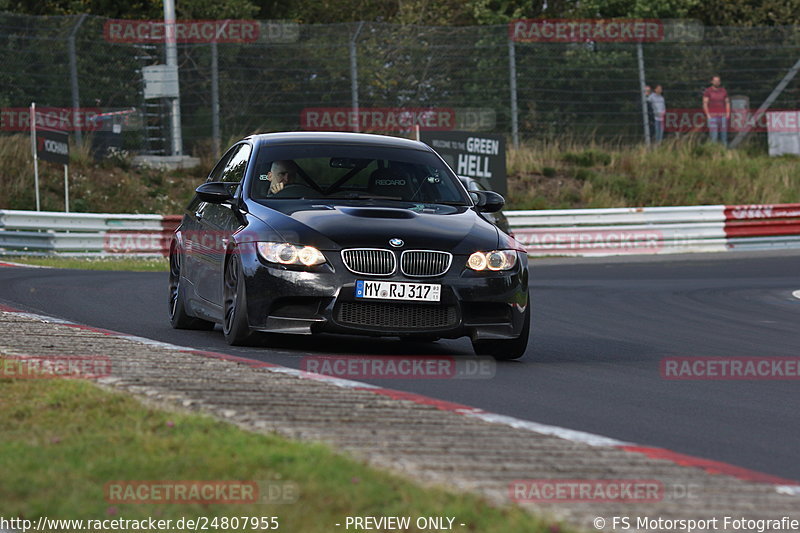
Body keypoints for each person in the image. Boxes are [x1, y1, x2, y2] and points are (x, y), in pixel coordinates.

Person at [703, 75, 730, 146]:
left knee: (724, 137)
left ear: (720, 82)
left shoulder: (723, 91)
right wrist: (708, 115)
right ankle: (714, 154)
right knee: (713, 137)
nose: (716, 82)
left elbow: (727, 102)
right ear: (711, 81)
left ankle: (724, 153)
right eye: (715, 81)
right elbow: (705, 104)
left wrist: (728, 114)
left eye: (718, 81)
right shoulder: (708, 91)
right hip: (712, 117)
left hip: (723, 117)